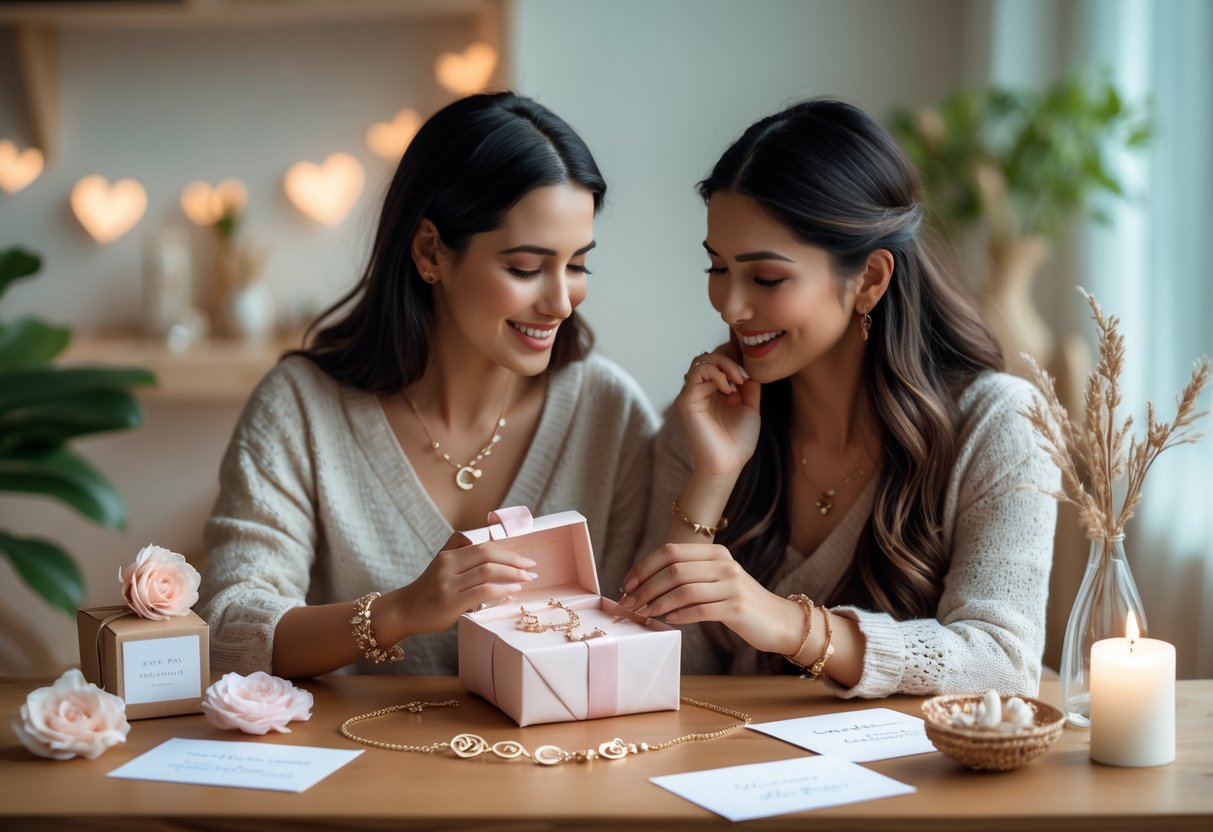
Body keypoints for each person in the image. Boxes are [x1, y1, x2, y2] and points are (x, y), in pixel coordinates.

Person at [198, 92, 656, 679]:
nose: (561, 302)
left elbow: (652, 642)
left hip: (560, 762)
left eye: (576, 265)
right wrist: (402, 611)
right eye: (524, 268)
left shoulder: (608, 412)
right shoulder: (301, 407)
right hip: (353, 763)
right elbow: (229, 628)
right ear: (430, 251)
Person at [619, 99, 1059, 698]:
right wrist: (712, 477)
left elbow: (1004, 664)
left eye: (767, 278)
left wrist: (788, 623)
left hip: (919, 787)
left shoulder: (999, 425)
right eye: (717, 268)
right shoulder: (706, 421)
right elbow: (655, 666)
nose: (729, 306)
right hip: (727, 776)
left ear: (871, 279)